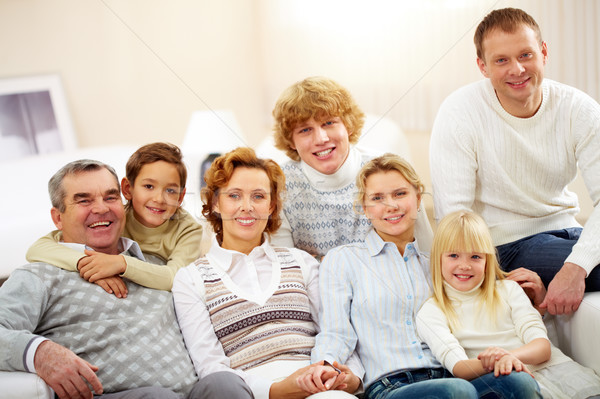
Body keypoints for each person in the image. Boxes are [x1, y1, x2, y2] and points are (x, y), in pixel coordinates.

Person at [0, 159, 250, 399]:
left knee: (225, 384)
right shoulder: (39, 276)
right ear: (57, 218)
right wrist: (40, 353)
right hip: (112, 395)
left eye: (110, 197)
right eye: (84, 200)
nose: (101, 208)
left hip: (193, 392)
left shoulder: (156, 265)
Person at [302, 154, 539, 399]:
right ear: (365, 208)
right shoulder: (344, 260)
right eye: (377, 198)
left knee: (517, 382)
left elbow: (478, 306)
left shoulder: (441, 264)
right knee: (457, 391)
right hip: (391, 386)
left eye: (400, 194)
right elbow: (336, 332)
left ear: (417, 198)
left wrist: (532, 299)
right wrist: (326, 366)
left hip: (452, 376)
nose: (391, 205)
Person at [430, 7, 600, 315]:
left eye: (525, 55)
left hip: (568, 231)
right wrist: (494, 278)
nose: (517, 69)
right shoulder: (460, 111)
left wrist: (575, 268)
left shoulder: (579, 109)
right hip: (504, 245)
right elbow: (454, 216)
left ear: (543, 52)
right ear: (483, 67)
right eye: (501, 60)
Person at [172, 147, 360, 399]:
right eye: (234, 196)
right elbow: (211, 367)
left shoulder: (301, 262)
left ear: (272, 205)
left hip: (320, 387)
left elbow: (336, 330)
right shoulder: (191, 279)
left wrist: (353, 378)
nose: (247, 207)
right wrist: (277, 390)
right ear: (216, 203)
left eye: (258, 196)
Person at [416, 210, 600, 398]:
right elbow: (459, 368)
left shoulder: (509, 289)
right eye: (454, 255)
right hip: (507, 380)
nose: (465, 265)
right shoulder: (431, 311)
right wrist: (496, 362)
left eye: (475, 257)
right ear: (438, 258)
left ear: (488, 260)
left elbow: (542, 347)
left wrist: (508, 356)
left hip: (558, 369)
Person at [270, 76, 433, 257]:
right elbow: (287, 265)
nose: (321, 139)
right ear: (291, 141)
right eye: (305, 130)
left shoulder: (389, 171)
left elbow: (426, 252)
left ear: (348, 125)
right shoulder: (279, 184)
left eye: (329, 123)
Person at [26, 142, 203, 294]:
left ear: (180, 197)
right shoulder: (116, 218)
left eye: (171, 190)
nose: (159, 199)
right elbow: (36, 250)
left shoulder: (188, 230)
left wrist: (122, 263)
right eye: (149, 186)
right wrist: (84, 262)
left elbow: (175, 278)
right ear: (127, 189)